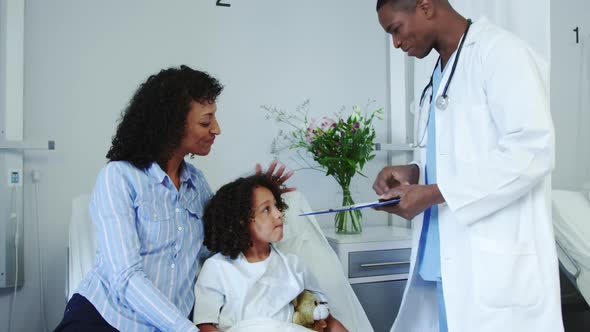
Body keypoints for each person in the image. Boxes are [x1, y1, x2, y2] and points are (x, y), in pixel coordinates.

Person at [54, 65, 293, 332]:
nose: (217, 129)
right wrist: (186, 330)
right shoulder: (118, 178)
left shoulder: (197, 185)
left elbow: (221, 244)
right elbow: (125, 276)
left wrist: (259, 198)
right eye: (206, 121)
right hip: (105, 318)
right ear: (172, 125)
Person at [372, 1, 564, 331]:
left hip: (492, 270)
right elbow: (456, 153)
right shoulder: (442, 69)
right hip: (446, 261)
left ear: (425, 6)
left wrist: (433, 193)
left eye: (396, 29)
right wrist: (416, 172)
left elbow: (533, 150)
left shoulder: (501, 53)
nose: (396, 42)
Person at [194, 175, 348, 332]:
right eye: (266, 209)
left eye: (277, 206)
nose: (278, 214)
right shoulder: (217, 268)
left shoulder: (294, 266)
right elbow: (205, 325)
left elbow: (326, 319)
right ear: (241, 219)